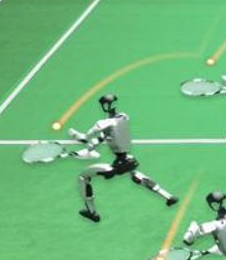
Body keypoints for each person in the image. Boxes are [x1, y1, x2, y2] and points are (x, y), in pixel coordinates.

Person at [70, 94, 177, 222]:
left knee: (83, 177)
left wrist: (74, 134)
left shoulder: (102, 123)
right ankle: (168, 197)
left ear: (104, 106)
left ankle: (92, 212)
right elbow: (106, 136)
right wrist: (89, 149)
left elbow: (84, 138)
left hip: (116, 166)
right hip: (129, 160)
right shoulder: (123, 117)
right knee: (135, 175)